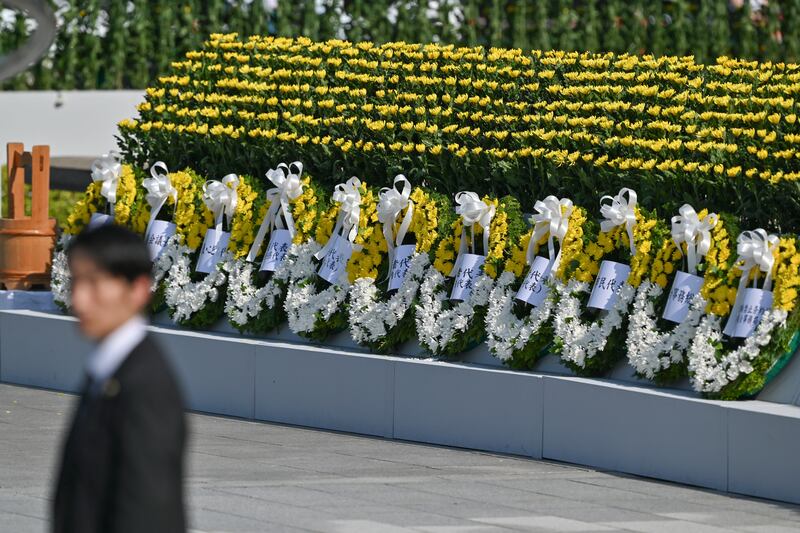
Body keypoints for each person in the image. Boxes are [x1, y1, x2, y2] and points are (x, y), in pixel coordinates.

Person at [52, 224, 187, 533]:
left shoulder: (145, 385)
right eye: (75, 283)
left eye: (95, 284)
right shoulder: (109, 368)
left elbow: (146, 507)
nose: (79, 301)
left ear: (138, 289)